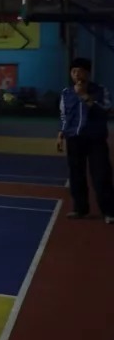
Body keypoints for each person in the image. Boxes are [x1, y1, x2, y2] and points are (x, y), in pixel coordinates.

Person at [57, 57, 114, 223]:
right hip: (74, 139)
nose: (76, 74)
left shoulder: (100, 90)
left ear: (87, 73)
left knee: (101, 175)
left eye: (80, 71)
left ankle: (109, 211)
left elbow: (106, 110)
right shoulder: (66, 93)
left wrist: (84, 96)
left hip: (96, 139)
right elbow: (64, 115)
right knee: (76, 175)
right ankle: (80, 209)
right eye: (73, 71)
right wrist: (61, 133)